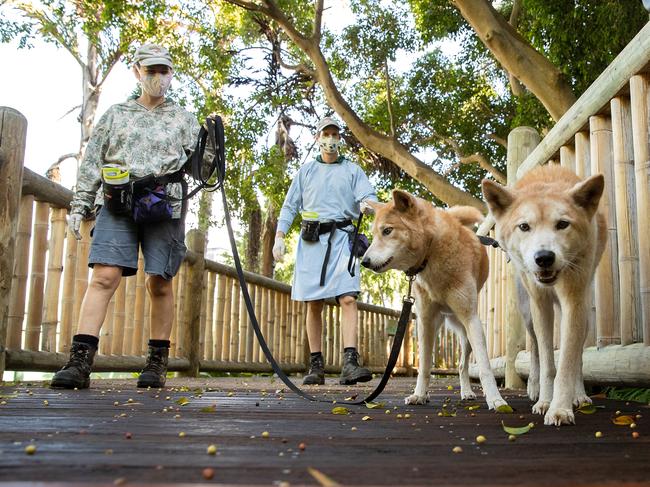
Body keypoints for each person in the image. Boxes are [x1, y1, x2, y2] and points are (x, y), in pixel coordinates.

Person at [51, 44, 210, 390]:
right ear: (137, 71)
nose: (158, 77)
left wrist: (211, 143)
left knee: (159, 281)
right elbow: (93, 161)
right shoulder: (116, 114)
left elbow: (204, 168)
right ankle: (79, 360)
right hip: (118, 201)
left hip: (163, 203)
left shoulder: (183, 118)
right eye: (151, 70)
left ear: (172, 74)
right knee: (104, 276)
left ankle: (156, 362)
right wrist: (79, 205)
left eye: (164, 71)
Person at [273, 116, 377, 385]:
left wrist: (368, 204)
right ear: (318, 138)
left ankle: (350, 363)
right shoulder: (305, 172)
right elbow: (289, 206)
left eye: (335, 134)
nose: (331, 138)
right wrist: (279, 235)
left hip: (342, 239)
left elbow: (370, 196)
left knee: (348, 298)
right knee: (314, 303)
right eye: (326, 133)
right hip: (312, 243)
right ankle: (315, 365)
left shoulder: (352, 171)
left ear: (339, 139)